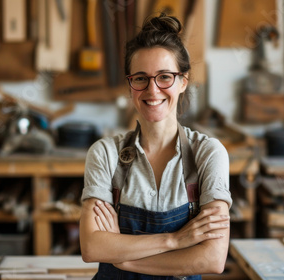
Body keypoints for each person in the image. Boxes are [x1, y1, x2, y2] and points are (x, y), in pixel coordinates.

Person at [79, 13, 232, 279]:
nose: (152, 90)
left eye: (164, 77)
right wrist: (175, 241)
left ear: (183, 81)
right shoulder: (105, 154)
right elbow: (92, 247)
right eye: (140, 78)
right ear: (130, 86)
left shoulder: (208, 154)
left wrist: (124, 260)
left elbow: (212, 258)